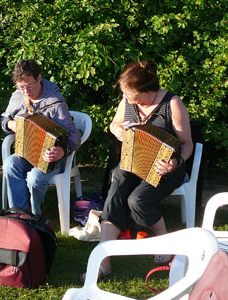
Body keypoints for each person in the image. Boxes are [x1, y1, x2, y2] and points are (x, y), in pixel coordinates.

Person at [87, 61, 193, 280]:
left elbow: (187, 143)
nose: (125, 96)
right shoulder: (128, 101)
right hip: (134, 162)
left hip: (166, 167)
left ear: (147, 91)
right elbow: (113, 124)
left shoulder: (171, 103)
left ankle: (165, 242)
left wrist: (176, 163)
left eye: (129, 93)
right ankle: (104, 259)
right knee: (116, 184)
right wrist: (119, 130)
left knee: (137, 200)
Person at [1, 59, 81, 215]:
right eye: (21, 87)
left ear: (39, 78)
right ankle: (20, 213)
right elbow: (4, 119)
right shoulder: (18, 96)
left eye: (30, 86)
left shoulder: (54, 102)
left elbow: (74, 134)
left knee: (34, 178)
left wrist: (63, 151)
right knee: (10, 163)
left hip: (51, 158)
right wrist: (12, 125)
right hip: (25, 154)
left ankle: (34, 215)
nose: (26, 92)